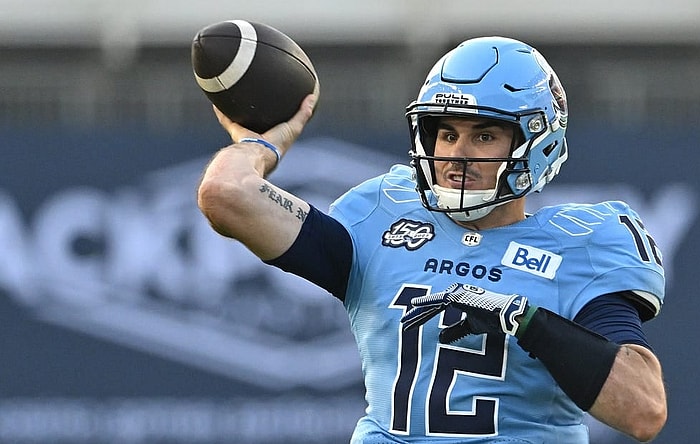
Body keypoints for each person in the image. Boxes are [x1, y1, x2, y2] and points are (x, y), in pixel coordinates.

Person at [198, 36, 667, 443]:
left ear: (536, 141)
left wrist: (527, 321)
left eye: (484, 135)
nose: (456, 154)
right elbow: (225, 195)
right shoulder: (382, 218)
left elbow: (643, 411)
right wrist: (259, 143)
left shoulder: (577, 245)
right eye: (445, 132)